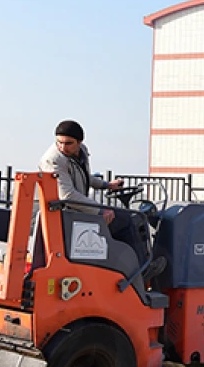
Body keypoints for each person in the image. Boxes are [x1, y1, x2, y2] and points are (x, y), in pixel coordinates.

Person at [39, 120, 165, 281]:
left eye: (68, 143)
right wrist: (100, 211)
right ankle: (141, 271)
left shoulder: (81, 152)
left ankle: (126, 269)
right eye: (59, 142)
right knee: (129, 220)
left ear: (79, 142)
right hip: (65, 213)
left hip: (79, 208)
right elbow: (67, 196)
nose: (63, 147)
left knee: (130, 219)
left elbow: (84, 177)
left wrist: (107, 185)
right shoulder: (54, 160)